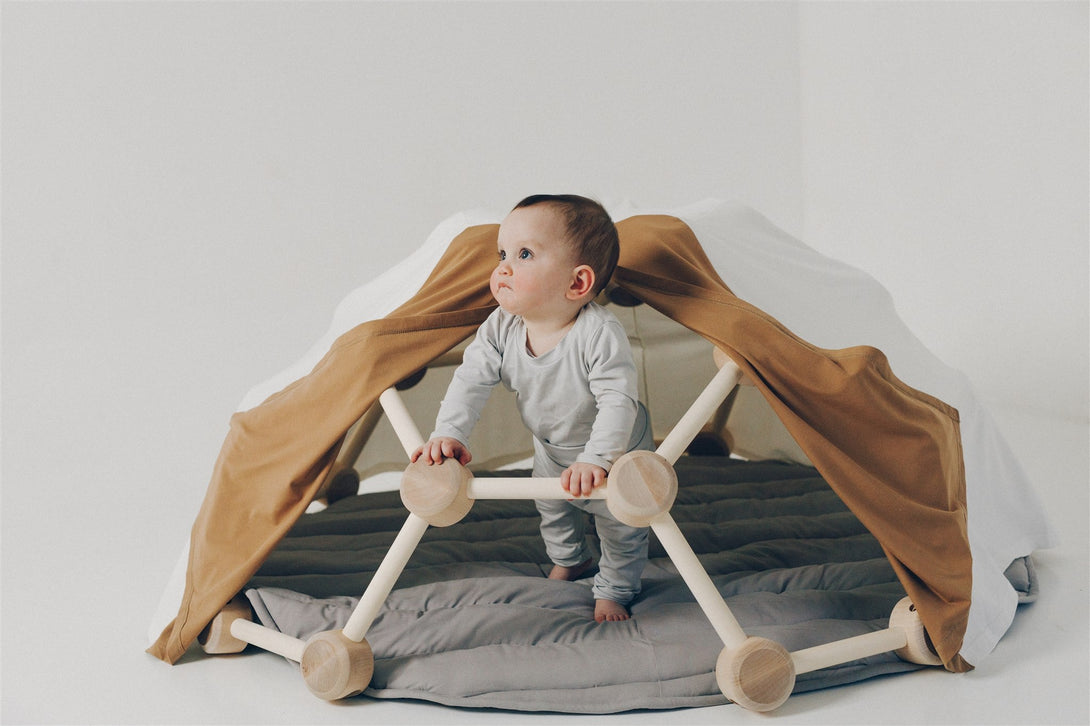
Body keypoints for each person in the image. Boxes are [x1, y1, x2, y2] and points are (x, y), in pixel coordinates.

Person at [410, 194, 654, 622]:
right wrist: (449, 433)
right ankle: (572, 559)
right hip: (550, 446)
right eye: (502, 254)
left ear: (577, 284)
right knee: (552, 509)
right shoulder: (501, 327)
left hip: (617, 452)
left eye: (524, 255)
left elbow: (619, 400)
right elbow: (470, 381)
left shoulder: (598, 334)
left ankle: (615, 589)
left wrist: (598, 459)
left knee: (621, 524)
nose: (503, 267)